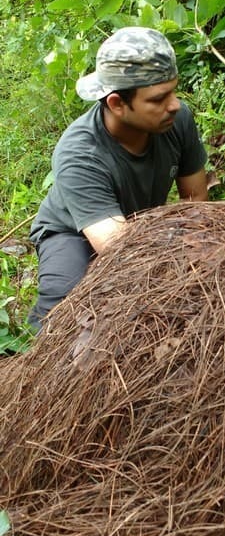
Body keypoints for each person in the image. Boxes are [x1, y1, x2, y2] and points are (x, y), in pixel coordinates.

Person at [28, 27, 208, 330]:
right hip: (74, 232)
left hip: (143, 225)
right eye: (158, 98)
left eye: (174, 91)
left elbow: (197, 202)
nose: (174, 104)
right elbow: (118, 248)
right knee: (65, 316)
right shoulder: (80, 153)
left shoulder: (177, 120)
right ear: (116, 104)